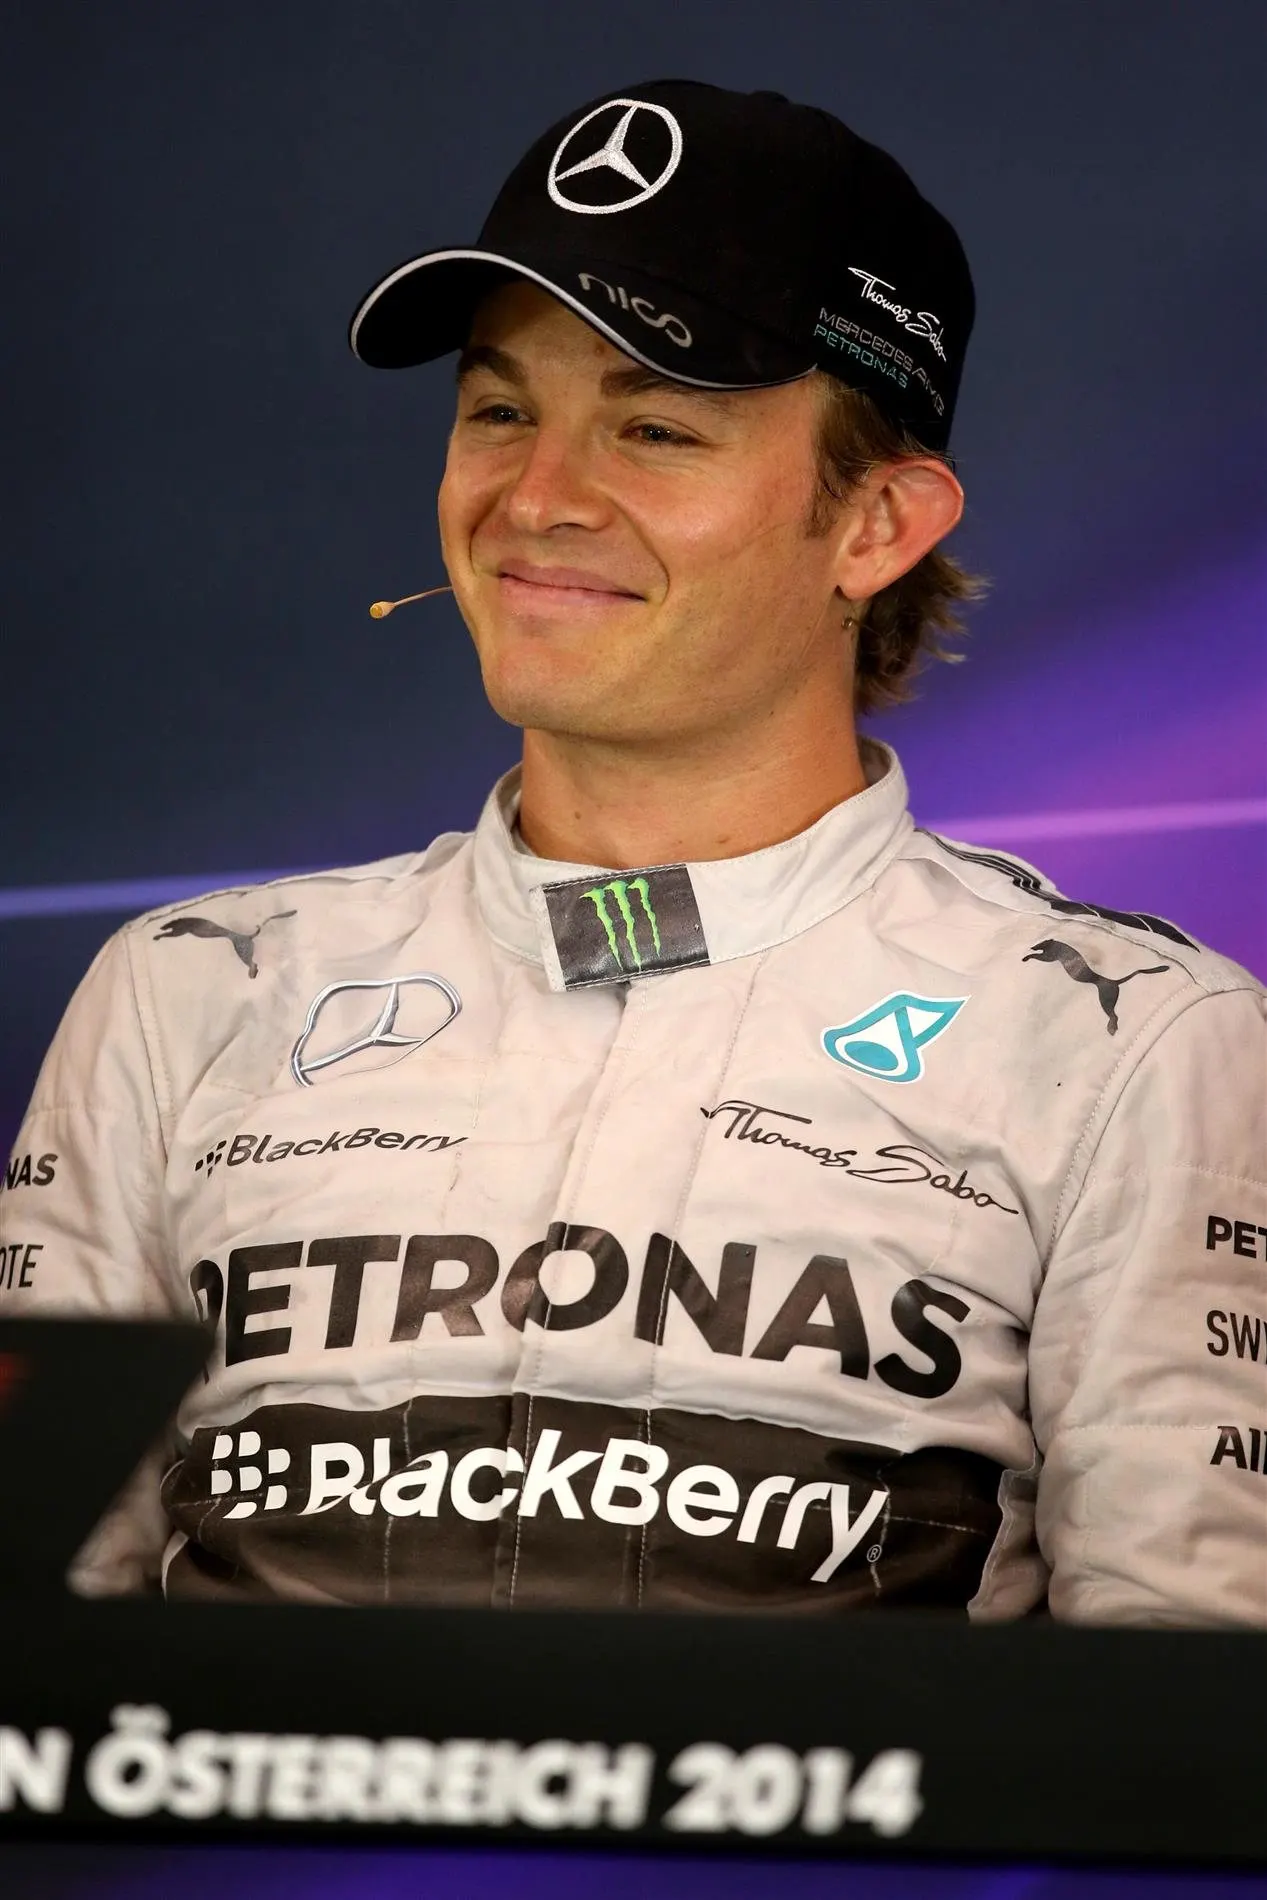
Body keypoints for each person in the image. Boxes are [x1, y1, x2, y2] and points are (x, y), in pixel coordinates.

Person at [2, 81, 1263, 1623]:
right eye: (499, 409)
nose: (534, 499)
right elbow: (34, 1665)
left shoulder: (1128, 1040)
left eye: (653, 428)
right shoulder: (188, 996)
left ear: (874, 525)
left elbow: (1184, 1739)